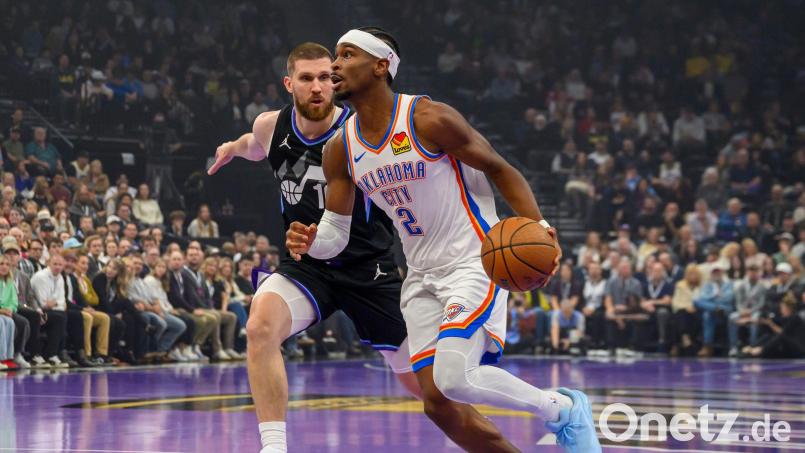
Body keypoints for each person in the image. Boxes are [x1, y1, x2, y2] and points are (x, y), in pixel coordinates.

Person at [286, 29, 599, 452]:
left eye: (347, 55)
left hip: (476, 259)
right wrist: (310, 242)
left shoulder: (427, 118)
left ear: (382, 66)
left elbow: (500, 168)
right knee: (438, 402)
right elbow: (335, 236)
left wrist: (539, 227)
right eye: (333, 57)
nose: (334, 66)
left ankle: (562, 409)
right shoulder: (341, 147)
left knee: (454, 376)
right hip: (419, 275)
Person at [207, 41, 432, 453]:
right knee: (259, 327)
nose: (318, 87)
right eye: (307, 78)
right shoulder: (269, 126)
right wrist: (231, 149)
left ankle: (484, 422)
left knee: (423, 384)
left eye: (326, 77)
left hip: (369, 268)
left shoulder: (360, 130)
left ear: (336, 81)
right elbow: (253, 146)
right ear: (289, 83)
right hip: (306, 265)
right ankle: (273, 447)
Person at [693, 264, 735, 357]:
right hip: (714, 311)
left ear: (722, 273)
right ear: (711, 274)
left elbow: (729, 298)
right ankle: (708, 346)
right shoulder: (707, 285)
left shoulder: (729, 284)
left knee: (706, 308)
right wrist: (714, 296)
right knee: (704, 312)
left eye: (718, 272)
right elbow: (702, 297)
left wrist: (712, 300)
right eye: (714, 272)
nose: (716, 274)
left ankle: (707, 346)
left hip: (725, 310)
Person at [728, 263, 766, 357]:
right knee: (732, 317)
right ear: (747, 272)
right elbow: (738, 301)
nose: (753, 274)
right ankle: (733, 346)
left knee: (755, 318)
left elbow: (761, 304)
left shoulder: (762, 286)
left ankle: (752, 346)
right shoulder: (741, 285)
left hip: (755, 311)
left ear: (758, 273)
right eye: (751, 271)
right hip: (742, 311)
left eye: (755, 271)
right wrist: (742, 312)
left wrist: (750, 312)